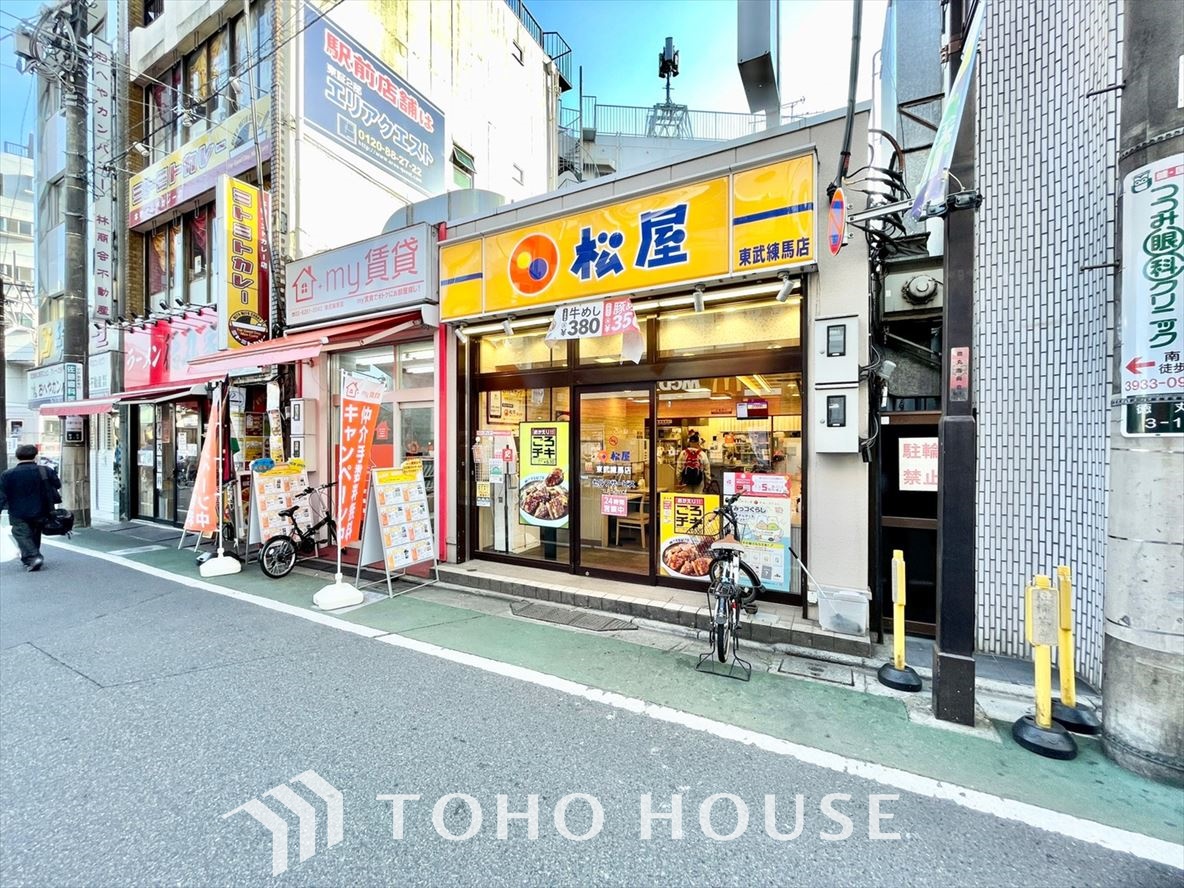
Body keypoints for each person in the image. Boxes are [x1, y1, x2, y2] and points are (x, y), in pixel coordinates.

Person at [0, 444, 61, 572]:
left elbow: (2, 495)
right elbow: (57, 484)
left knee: (21, 533)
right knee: (35, 533)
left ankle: (33, 557)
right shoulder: (45, 470)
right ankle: (30, 558)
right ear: (35, 456)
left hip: (18, 511)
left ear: (17, 457)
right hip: (42, 509)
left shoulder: (8, 474)